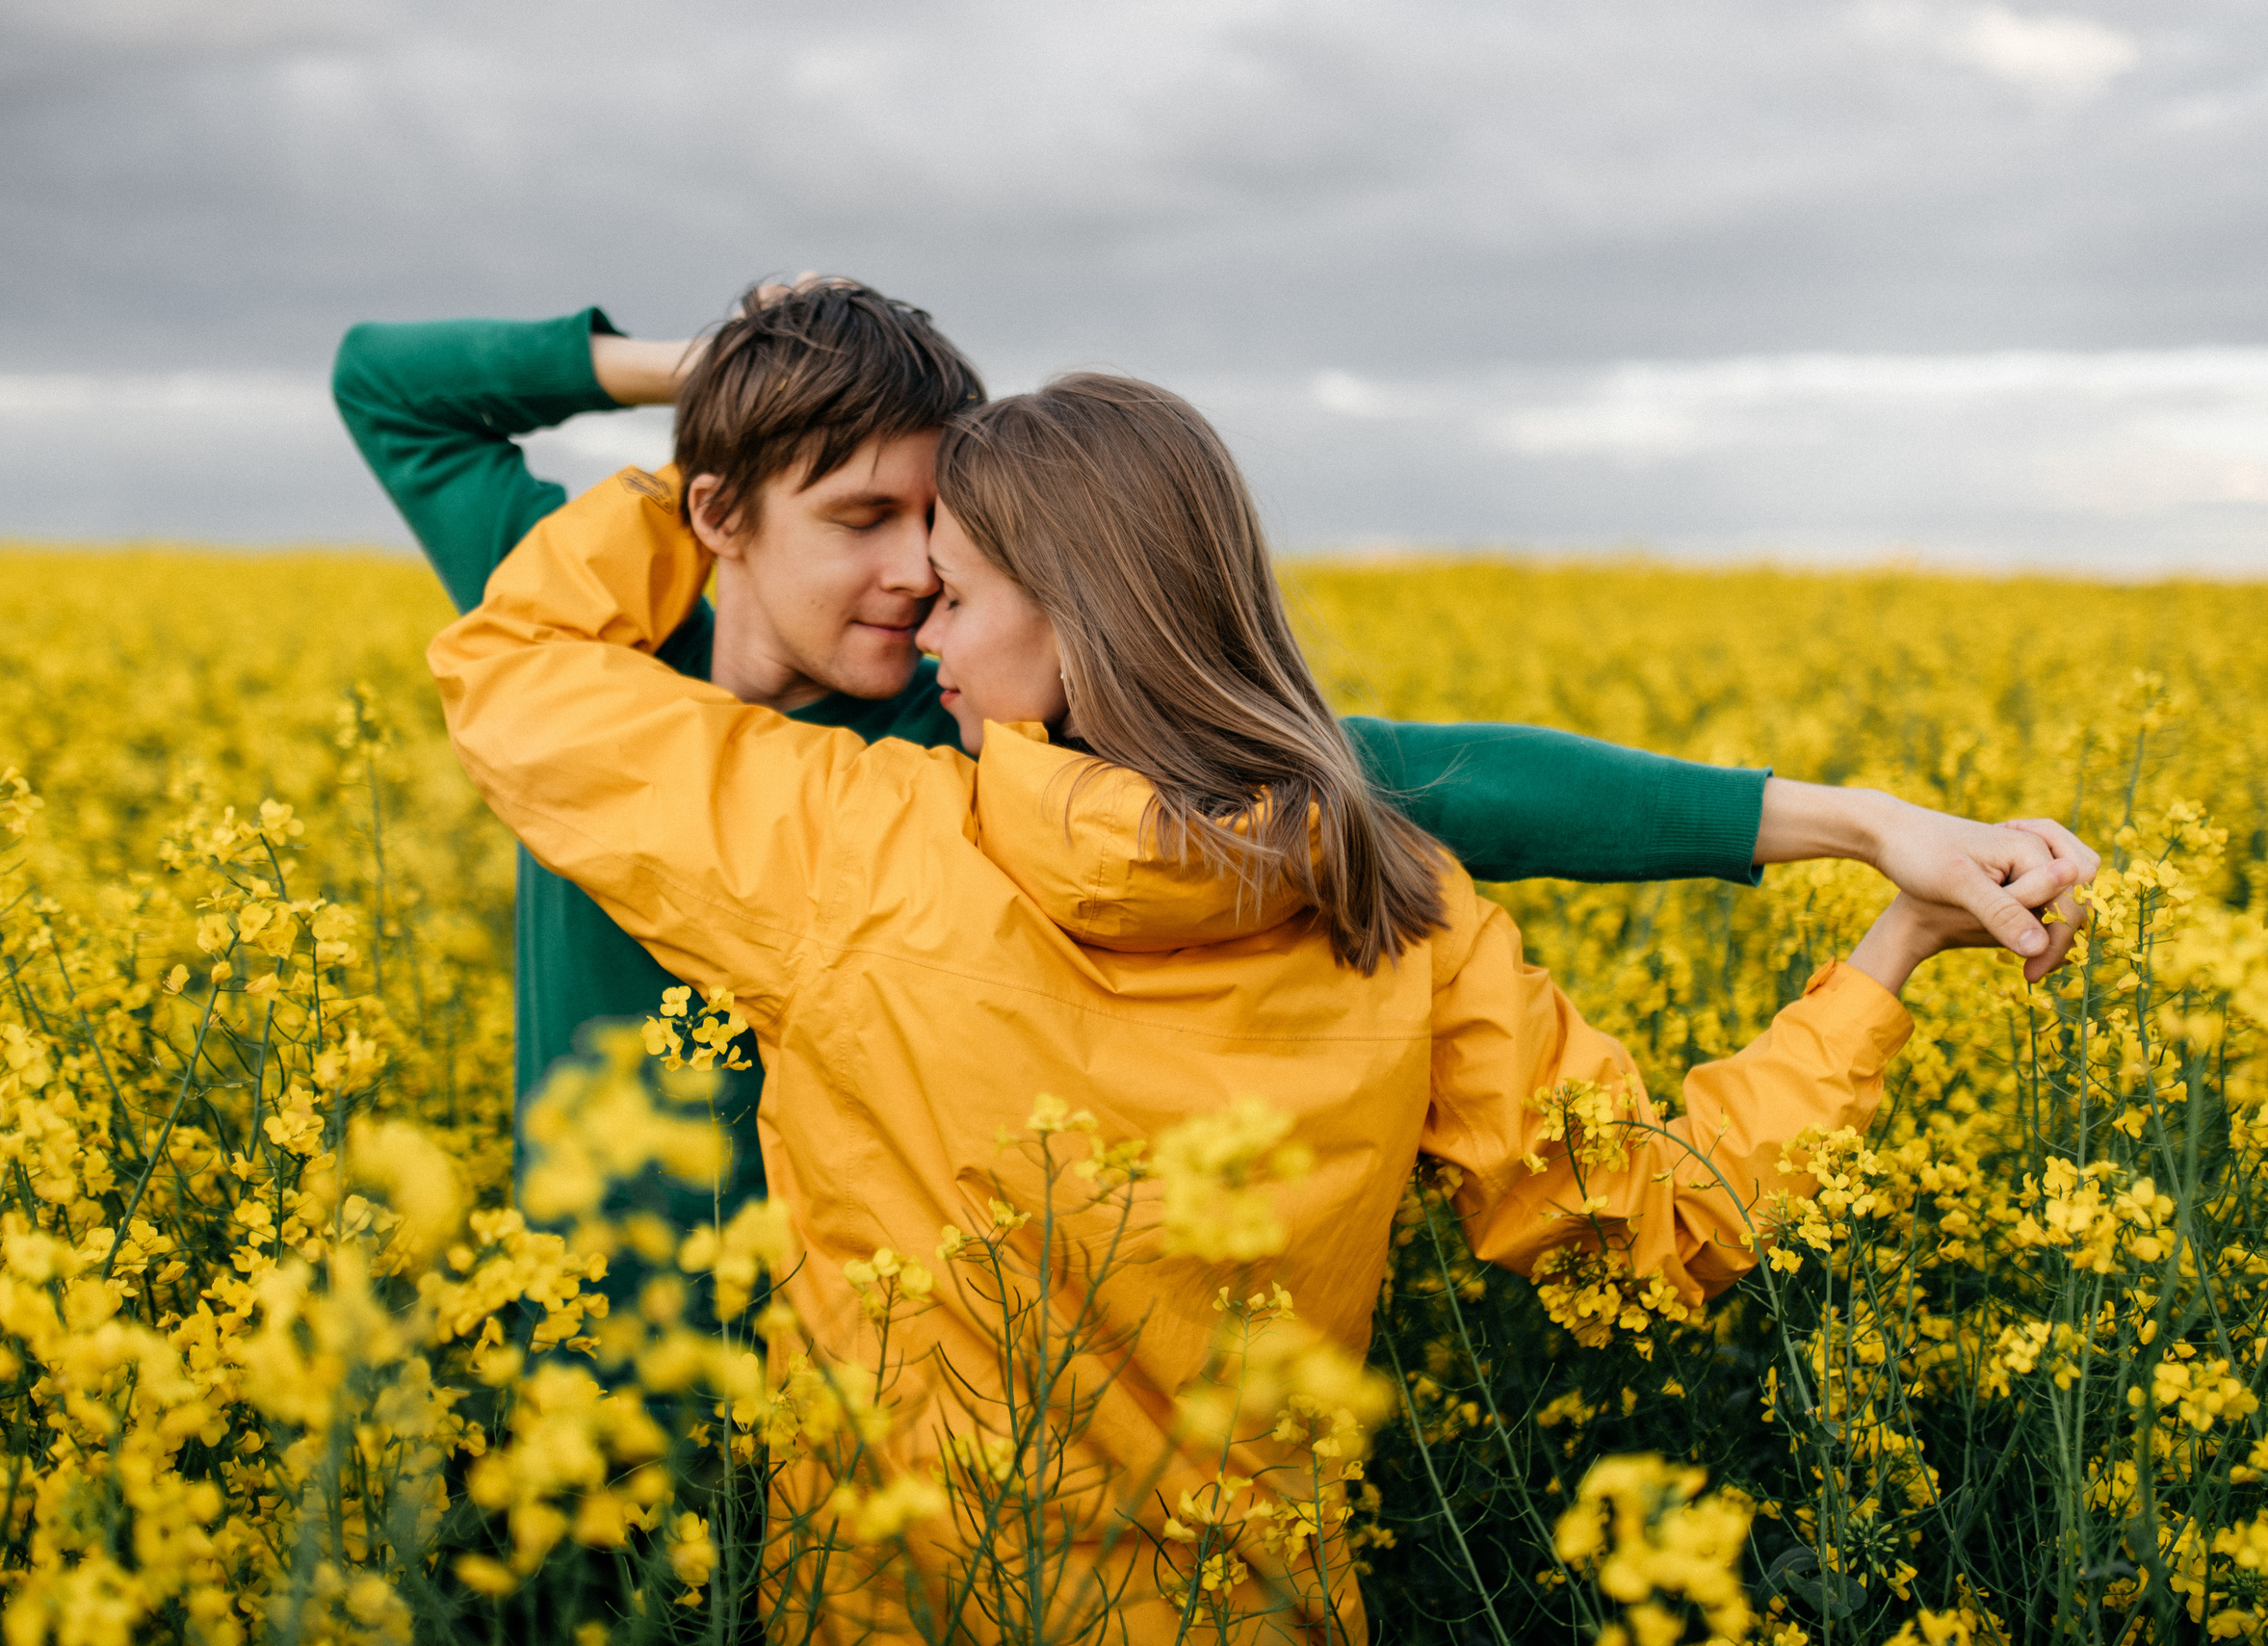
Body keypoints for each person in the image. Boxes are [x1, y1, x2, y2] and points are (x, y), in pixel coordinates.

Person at [428, 370, 2081, 1641]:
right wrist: (1887, 957)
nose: (923, 629)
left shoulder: (850, 848)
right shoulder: (1401, 909)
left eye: (955, 591)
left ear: (1072, 624)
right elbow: (1674, 1213)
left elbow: (511, 671)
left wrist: (705, 469)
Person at [337, 282, 2094, 1337]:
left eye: (944, 541)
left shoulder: (927, 785)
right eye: (864, 520)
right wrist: (720, 366)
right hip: (607, 1345)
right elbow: (385, 386)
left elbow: (1417, 773)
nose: (909, 586)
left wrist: (1835, 820)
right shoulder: (672, 659)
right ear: (718, 512)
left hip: (856, 1420)